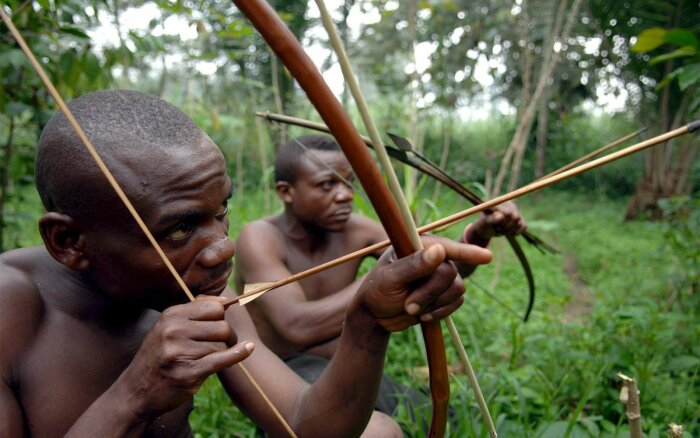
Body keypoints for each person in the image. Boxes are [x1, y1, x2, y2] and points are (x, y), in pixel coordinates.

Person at [0, 90, 494, 437]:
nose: (222, 248)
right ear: (68, 241)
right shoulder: (11, 313)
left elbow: (306, 424)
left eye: (221, 213)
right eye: (180, 228)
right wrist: (134, 395)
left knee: (378, 433)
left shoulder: (200, 291)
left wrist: (366, 322)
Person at [234, 134, 527, 430]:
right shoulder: (259, 238)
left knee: (444, 419)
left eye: (348, 182)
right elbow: (297, 326)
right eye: (327, 184)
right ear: (286, 192)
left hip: (348, 365)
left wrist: (481, 231)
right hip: (288, 374)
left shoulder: (355, 230)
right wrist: (375, 286)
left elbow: (435, 263)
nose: (345, 195)